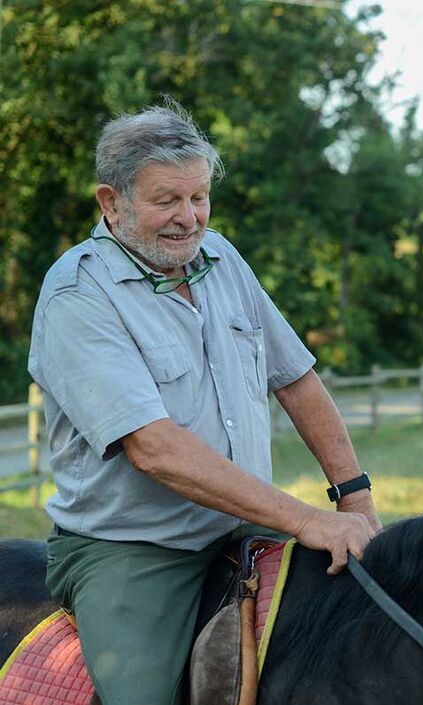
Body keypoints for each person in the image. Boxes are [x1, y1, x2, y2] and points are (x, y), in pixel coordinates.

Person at [27, 100, 380, 705]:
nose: (189, 219)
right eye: (168, 200)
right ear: (111, 201)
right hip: (134, 549)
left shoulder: (222, 259)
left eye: (199, 198)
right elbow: (155, 449)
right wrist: (308, 520)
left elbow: (296, 381)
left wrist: (356, 498)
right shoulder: (77, 294)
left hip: (244, 523)